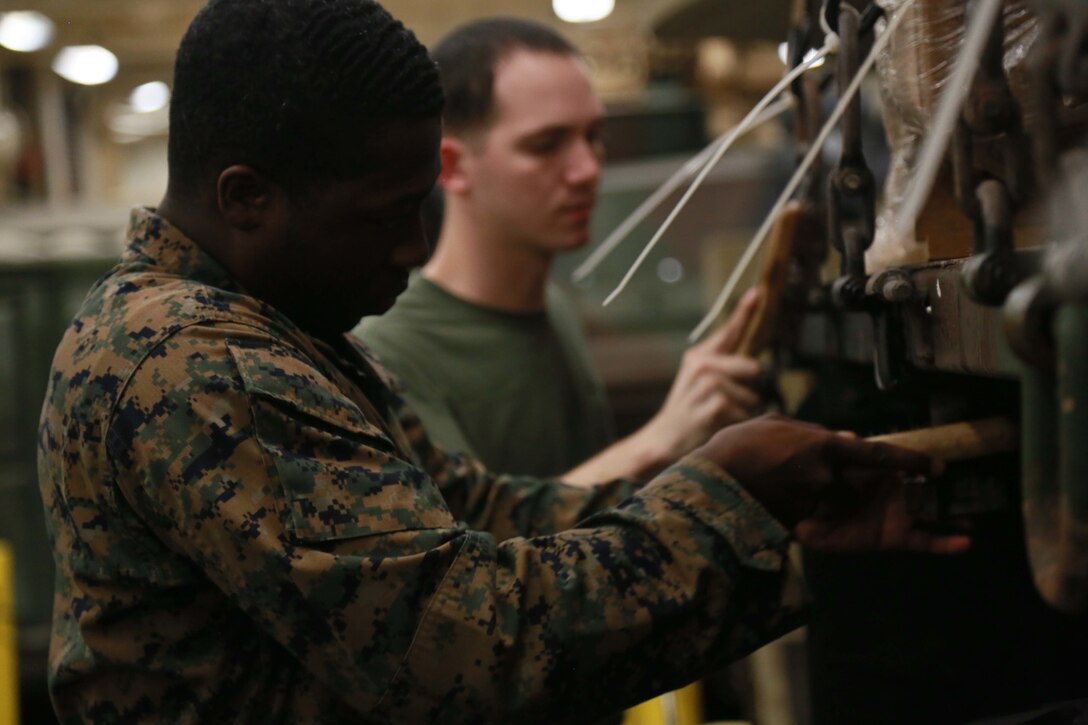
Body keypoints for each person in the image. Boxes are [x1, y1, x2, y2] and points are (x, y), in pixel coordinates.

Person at [37, 1, 966, 722]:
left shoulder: (281, 329)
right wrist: (720, 521)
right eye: (384, 214)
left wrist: (745, 493)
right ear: (246, 197)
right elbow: (460, 651)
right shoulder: (195, 359)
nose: (409, 248)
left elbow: (481, 517)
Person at [356, 17, 765, 484]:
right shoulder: (390, 353)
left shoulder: (553, 308)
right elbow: (470, 547)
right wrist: (664, 436)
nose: (587, 169)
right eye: (546, 145)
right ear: (451, 167)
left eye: (593, 137)